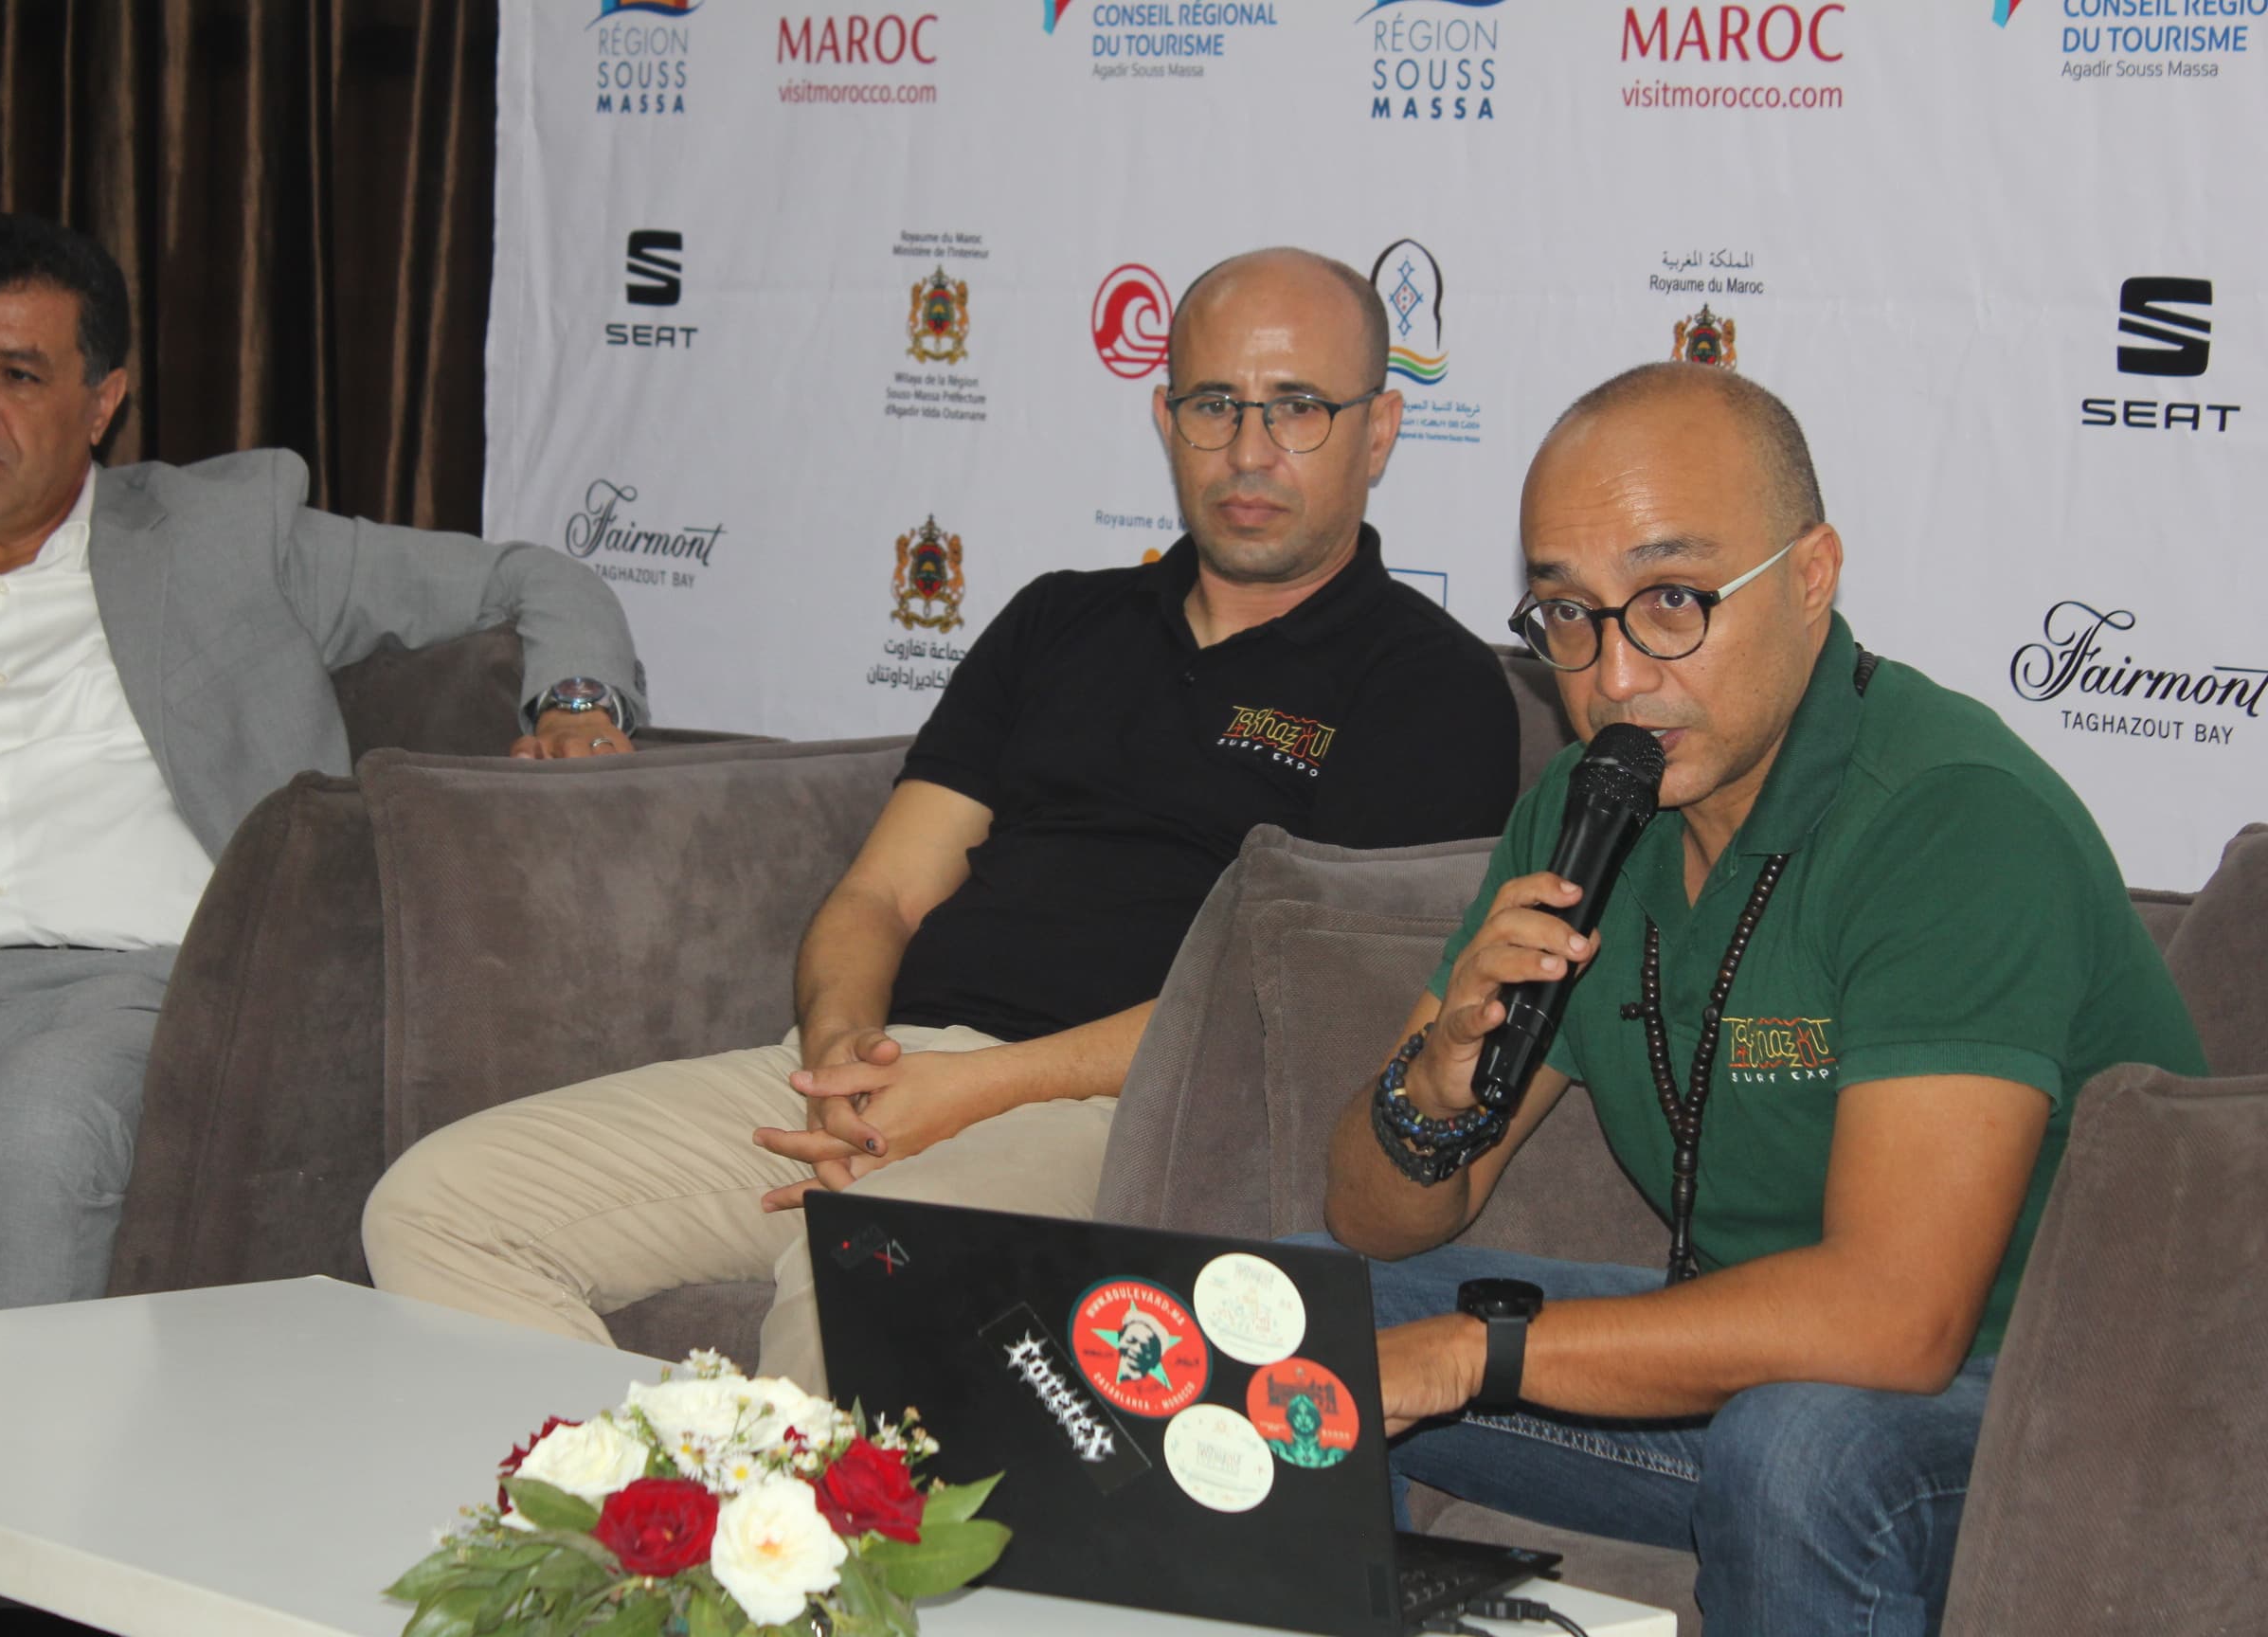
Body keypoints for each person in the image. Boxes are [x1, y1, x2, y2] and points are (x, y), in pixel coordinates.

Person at [362, 245, 1522, 1388]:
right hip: (893, 1068)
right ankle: (675, 1490)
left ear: (1380, 430)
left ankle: (746, 1494)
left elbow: (1301, 1009)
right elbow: (882, 893)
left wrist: (975, 1093)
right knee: (441, 1205)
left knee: (862, 1267)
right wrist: (842, 1058)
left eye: (1299, 408)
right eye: (1215, 404)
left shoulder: (1431, 685)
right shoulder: (1061, 622)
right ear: (1166, 419)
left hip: (1133, 1117)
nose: (1250, 450)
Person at [1321, 361, 2205, 1636]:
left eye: (1672, 601)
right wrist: (1434, 1085)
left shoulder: (1953, 818)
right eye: (1568, 614)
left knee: (1800, 1447)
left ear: (1810, 576)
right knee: (1303, 1311)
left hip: (2056, 1407)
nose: (1616, 678)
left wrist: (1477, 1355)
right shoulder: (1586, 807)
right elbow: (1373, 1220)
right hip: (1771, 1384)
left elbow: (1899, 1322)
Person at [0, 211, 647, 1324]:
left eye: (18, 375)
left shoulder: (225, 537)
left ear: (101, 401)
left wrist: (580, 706)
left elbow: (533, 577)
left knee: (35, 1140)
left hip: (134, 999)